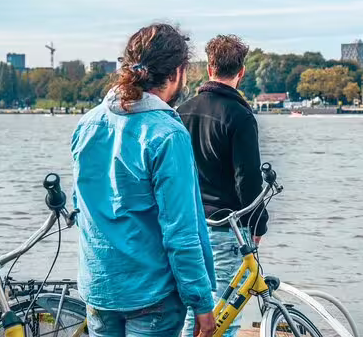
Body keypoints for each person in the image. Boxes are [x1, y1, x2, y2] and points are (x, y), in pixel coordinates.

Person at [71, 23, 216, 337]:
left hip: (99, 288)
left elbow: (78, 206)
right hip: (152, 295)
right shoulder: (167, 134)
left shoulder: (87, 124)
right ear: (177, 72)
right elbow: (181, 232)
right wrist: (202, 303)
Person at [178, 35, 269, 337]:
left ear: (209, 69)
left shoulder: (182, 112)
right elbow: (248, 179)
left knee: (194, 313)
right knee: (222, 320)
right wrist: (258, 226)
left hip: (189, 227)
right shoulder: (240, 116)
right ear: (241, 72)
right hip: (224, 227)